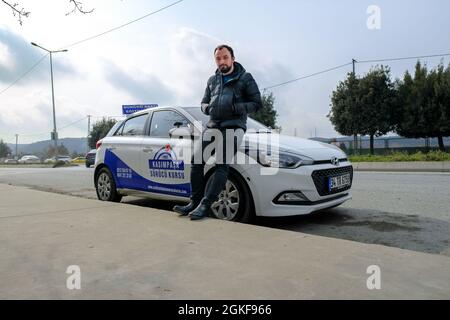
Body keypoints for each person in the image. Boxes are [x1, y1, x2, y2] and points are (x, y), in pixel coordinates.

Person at [173, 44, 263, 220]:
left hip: (234, 126)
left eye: (225, 57)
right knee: (196, 161)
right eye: (218, 58)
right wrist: (207, 108)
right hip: (213, 125)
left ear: (232, 58)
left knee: (221, 164)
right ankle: (194, 202)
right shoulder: (212, 80)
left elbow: (257, 103)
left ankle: (206, 205)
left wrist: (235, 107)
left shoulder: (245, 78)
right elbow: (203, 102)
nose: (222, 61)